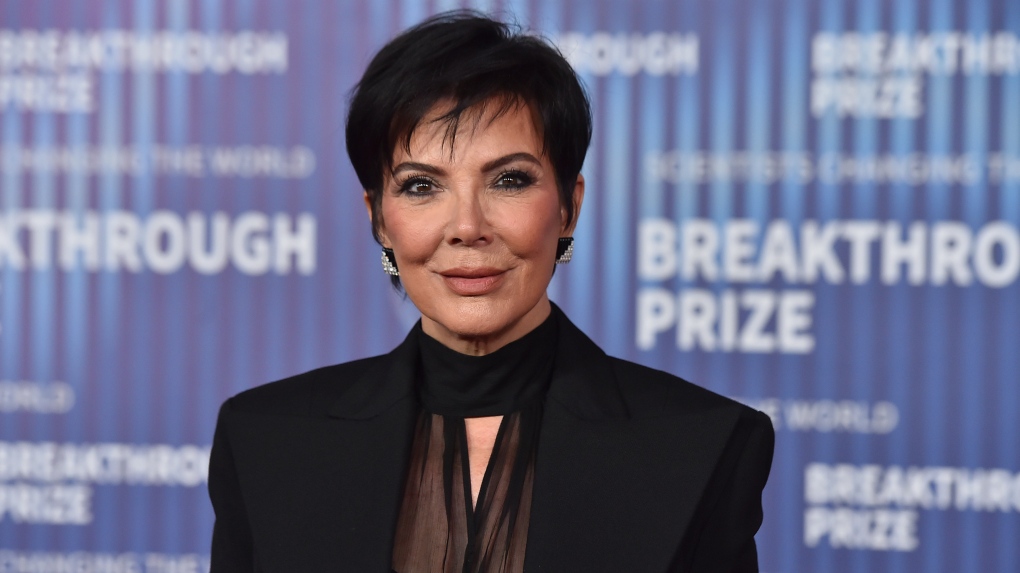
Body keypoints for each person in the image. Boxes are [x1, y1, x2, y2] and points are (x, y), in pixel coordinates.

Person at [208, 11, 774, 573]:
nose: (467, 226)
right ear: (379, 218)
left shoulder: (704, 447)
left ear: (569, 207)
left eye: (509, 179)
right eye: (421, 186)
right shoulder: (265, 441)